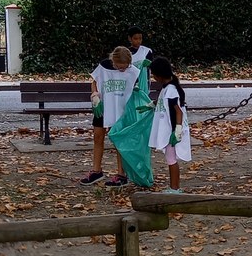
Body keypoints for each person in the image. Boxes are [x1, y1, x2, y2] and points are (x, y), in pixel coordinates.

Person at [81, 45, 139, 186]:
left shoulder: (133, 71)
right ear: (113, 61)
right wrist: (95, 95)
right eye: (119, 67)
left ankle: (121, 173)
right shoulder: (103, 67)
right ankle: (96, 170)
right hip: (103, 107)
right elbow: (95, 81)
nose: (122, 70)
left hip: (121, 110)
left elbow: (136, 89)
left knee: (119, 141)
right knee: (98, 136)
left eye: (125, 67)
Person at [148, 56, 191, 194]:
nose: (153, 78)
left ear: (159, 75)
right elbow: (164, 103)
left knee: (171, 159)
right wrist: (151, 105)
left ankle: (175, 188)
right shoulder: (167, 87)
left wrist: (177, 131)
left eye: (154, 75)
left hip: (171, 130)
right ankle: (174, 187)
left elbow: (178, 111)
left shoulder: (171, 90)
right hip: (169, 129)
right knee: (170, 158)